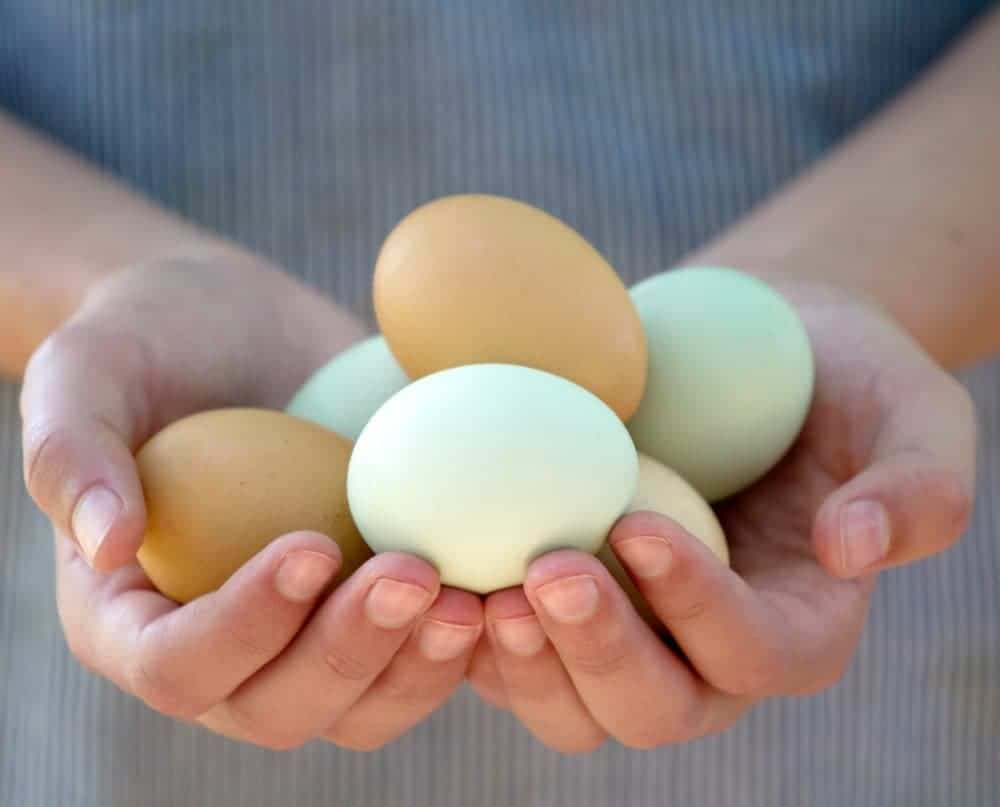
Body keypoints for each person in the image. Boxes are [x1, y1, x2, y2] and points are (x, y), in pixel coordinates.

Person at [1, 3, 998, 805]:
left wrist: (854, 275)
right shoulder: (516, 429)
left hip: (868, 695)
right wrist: (98, 282)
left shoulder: (591, 416)